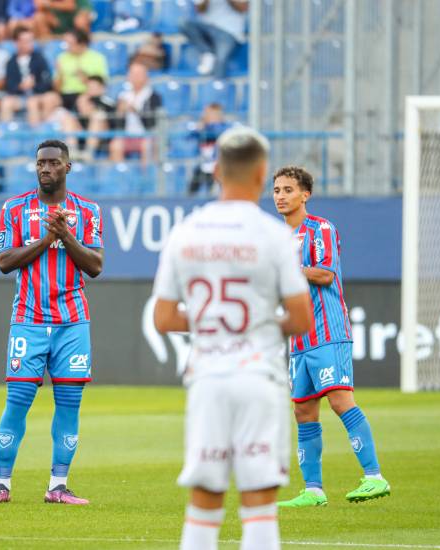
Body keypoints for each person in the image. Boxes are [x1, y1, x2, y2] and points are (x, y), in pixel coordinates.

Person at [152, 126, 313, 550]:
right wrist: (256, 323)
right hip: (258, 377)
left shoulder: (186, 232)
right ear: (262, 173)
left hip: (207, 378)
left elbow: (164, 318)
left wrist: (210, 323)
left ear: (218, 171)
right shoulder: (275, 235)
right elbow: (301, 316)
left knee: (203, 504)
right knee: (259, 503)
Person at [0, 139, 103, 505]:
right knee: (17, 400)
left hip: (72, 321)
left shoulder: (88, 211)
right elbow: (4, 262)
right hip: (28, 319)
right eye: (40, 163)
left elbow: (95, 266)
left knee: (69, 402)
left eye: (53, 163)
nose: (45, 169)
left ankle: (58, 485)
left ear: (68, 167)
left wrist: (65, 236)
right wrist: (48, 237)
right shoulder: (15, 209)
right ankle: (1, 484)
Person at [273, 165, 391, 507]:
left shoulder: (319, 228)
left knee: (340, 400)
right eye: (277, 190)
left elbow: (324, 274)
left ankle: (374, 477)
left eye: (288, 190)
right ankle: (313, 490)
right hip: (299, 339)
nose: (281, 196)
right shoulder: (277, 239)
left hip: (327, 330)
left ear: (304, 194)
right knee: (303, 411)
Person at [0, 26, 54, 126]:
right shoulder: (11, 62)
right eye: (26, 41)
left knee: (32, 102)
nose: (30, 44)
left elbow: (47, 81)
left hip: (38, 95)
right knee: (5, 103)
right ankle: (6, 137)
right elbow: (9, 86)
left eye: (31, 40)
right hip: (19, 97)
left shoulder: (39, 58)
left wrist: (34, 85)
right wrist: (20, 86)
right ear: (17, 43)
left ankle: (37, 136)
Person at [108, 61, 162, 163]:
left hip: (146, 135)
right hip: (126, 135)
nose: (134, 77)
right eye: (132, 74)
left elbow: (152, 123)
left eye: (138, 74)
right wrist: (120, 113)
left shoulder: (153, 97)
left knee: (147, 146)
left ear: (146, 77)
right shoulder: (123, 96)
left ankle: (146, 176)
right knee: (115, 145)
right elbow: (115, 124)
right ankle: (121, 174)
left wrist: (135, 110)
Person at [180, 0, 248, 78]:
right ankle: (207, 52)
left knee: (220, 60)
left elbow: (243, 8)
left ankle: (217, 86)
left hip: (229, 32)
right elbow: (200, 10)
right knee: (184, 24)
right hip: (208, 28)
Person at [52, 29, 108, 115]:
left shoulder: (97, 58)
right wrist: (60, 74)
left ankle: (84, 127)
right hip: (64, 94)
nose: (67, 47)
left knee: (83, 101)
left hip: (84, 93)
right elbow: (56, 88)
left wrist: (84, 78)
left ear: (81, 44)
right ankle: (41, 128)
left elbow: (101, 85)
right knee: (49, 99)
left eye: (70, 44)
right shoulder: (62, 57)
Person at [189, 102, 233, 194]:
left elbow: (220, 130)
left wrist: (207, 126)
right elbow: (188, 137)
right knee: (192, 190)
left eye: (211, 114)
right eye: (207, 114)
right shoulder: (201, 128)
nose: (208, 116)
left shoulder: (225, 127)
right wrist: (198, 128)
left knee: (216, 191)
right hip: (203, 166)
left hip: (219, 167)